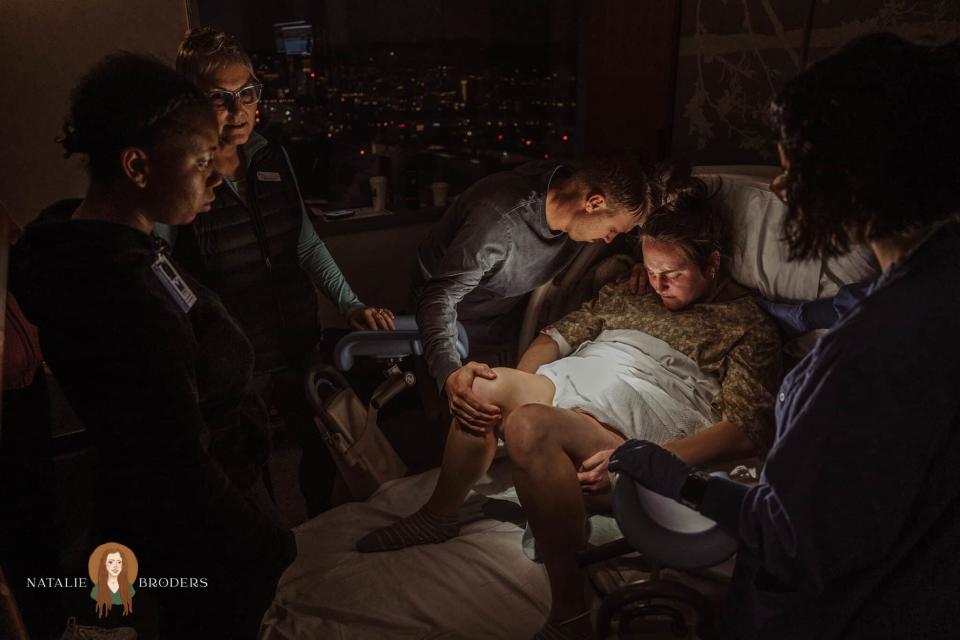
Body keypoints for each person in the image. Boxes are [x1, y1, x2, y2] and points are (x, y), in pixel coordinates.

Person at [610, 33, 960, 639]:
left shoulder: (870, 354)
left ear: (852, 175)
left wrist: (685, 482)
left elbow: (789, 538)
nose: (778, 187)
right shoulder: (934, 280)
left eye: (793, 167)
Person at [361, 184, 782, 639]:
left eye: (672, 273)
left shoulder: (748, 325)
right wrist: (521, 389)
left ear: (713, 263)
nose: (657, 283)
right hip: (577, 380)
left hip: (642, 416)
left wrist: (649, 459)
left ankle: (569, 610)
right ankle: (439, 514)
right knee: (484, 386)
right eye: (651, 268)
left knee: (530, 425)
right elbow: (556, 337)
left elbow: (745, 430)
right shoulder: (632, 289)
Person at [10, 53, 295, 638]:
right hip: (202, 549)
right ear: (138, 166)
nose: (216, 176)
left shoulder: (111, 245)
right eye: (199, 161)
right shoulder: (121, 292)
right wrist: (267, 545)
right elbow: (179, 466)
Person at [171, 27, 396, 515]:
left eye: (246, 94)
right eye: (219, 98)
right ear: (189, 101)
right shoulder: (182, 172)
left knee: (322, 447)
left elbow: (305, 242)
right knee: (243, 468)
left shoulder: (270, 156)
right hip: (230, 353)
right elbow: (162, 276)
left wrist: (350, 303)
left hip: (295, 335)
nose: (238, 111)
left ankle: (322, 539)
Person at [415, 158, 687, 432]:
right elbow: (438, 299)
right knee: (464, 420)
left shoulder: (571, 188)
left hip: (505, 319)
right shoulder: (498, 224)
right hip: (451, 325)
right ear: (593, 203)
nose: (608, 239)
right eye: (612, 230)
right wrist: (449, 372)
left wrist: (643, 265)